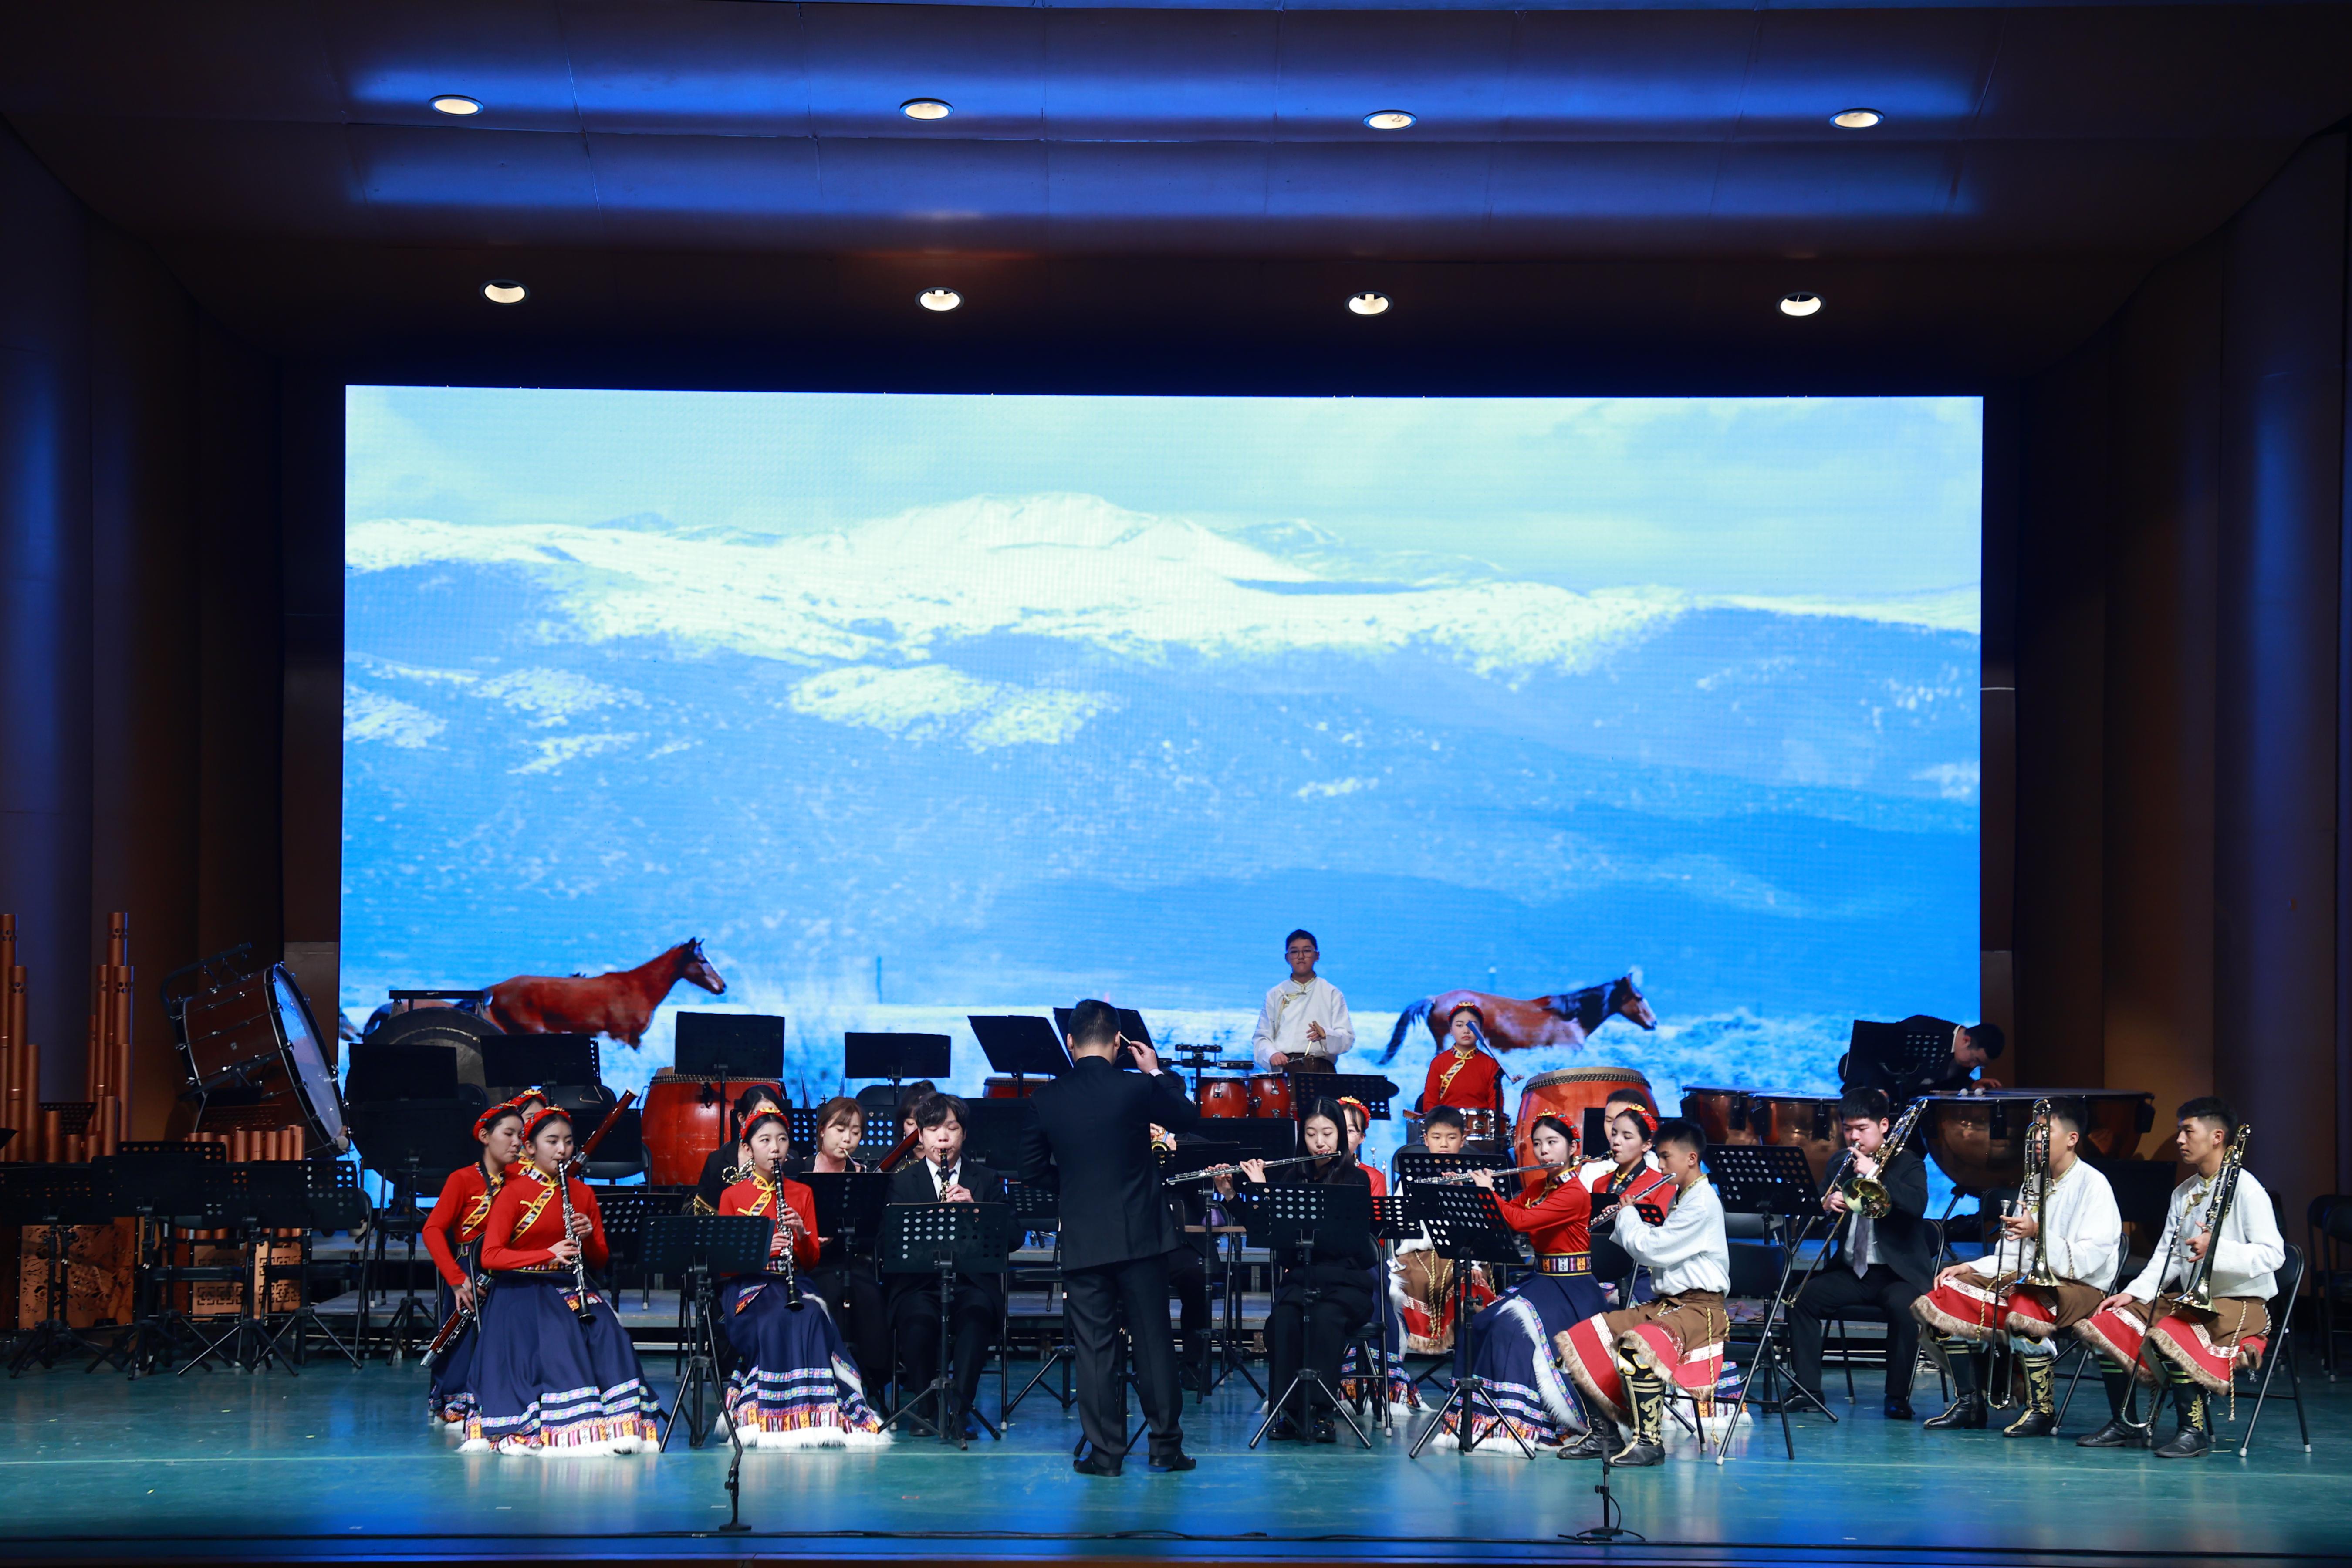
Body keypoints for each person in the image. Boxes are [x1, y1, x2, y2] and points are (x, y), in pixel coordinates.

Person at [1021, 999, 1202, 1475]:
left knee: (1095, 1349)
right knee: (1154, 1342)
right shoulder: (1136, 1088)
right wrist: (1157, 1071)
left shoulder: (1046, 1099)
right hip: (1141, 1236)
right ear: (1120, 1043)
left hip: (1084, 1238)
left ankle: (1106, 1456)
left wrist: (1073, 1190)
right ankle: (1165, 1447)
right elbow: (1188, 1117)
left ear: (1070, 1043)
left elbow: (1030, 1169)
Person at [2075, 1097, 2284, 1457]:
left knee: (2173, 1332)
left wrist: (2217, 1249)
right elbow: (2167, 1257)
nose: (2180, 1140)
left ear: (2217, 1136)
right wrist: (2136, 1293)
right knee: (2108, 1323)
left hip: (2241, 1303)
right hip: (2195, 1301)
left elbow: (2274, 1255)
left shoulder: (2247, 1189)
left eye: (2189, 1131)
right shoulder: (2185, 1193)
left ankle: (2194, 1431)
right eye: (2180, 1131)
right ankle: (2125, 1422)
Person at [1914, 1098, 2120, 1437]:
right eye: (2034, 1133)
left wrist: (2039, 1233)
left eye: (2046, 1132)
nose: (2036, 1140)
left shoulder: (2093, 1184)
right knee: (1944, 1297)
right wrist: (1970, 1268)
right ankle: (1970, 1402)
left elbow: (2093, 1258)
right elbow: (2010, 1255)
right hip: (2026, 1278)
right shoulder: (2032, 1184)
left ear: (2072, 1139)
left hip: (2080, 1287)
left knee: (2025, 1307)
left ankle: (2040, 1409)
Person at [463, 1107, 659, 1454]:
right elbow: (489, 1256)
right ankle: (568, 1425)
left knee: (608, 1331)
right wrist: (546, 1254)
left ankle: (620, 1423)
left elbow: (599, 1259)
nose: (562, 1151)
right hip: (520, 1288)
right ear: (530, 1148)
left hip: (570, 1285)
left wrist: (586, 1237)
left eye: (568, 1142)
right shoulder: (512, 1193)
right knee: (560, 1332)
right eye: (552, 1141)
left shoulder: (582, 1194)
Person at [1556, 1118, 1730, 1465]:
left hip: (1700, 1311)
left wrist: (1628, 1214)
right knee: (1579, 1339)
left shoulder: (1702, 1202)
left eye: (1666, 1158)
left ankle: (1650, 1442)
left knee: (1640, 1345)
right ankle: (1602, 1433)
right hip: (1668, 1305)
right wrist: (1628, 1218)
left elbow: (1653, 1249)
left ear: (1691, 1159)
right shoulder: (1684, 1197)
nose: (1661, 1166)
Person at [714, 1109, 889, 1446]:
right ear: (748, 1149)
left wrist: (800, 1233)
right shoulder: (732, 1196)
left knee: (810, 1316)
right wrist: (763, 1252)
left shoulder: (801, 1193)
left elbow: (811, 1259)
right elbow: (726, 1263)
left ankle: (812, 1413)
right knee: (773, 1319)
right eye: (765, 1141)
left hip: (792, 1281)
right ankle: (769, 1413)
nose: (775, 1148)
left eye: (782, 1139)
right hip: (748, 1286)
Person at [1432, 1114, 1605, 1451]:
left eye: (1552, 1144)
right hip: (1543, 1280)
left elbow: (1520, 1221)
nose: (1543, 1152)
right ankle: (1481, 1418)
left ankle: (1522, 1421)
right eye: (1538, 1144)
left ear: (1573, 1148)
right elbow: (1505, 1215)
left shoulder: (1574, 1193)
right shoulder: (1540, 1186)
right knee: (1481, 1322)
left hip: (1572, 1288)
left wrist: (1487, 1191)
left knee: (1509, 1330)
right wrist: (1463, 1189)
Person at [1217, 1098, 1376, 1443]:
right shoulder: (1293, 1176)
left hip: (1346, 1284)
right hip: (1303, 1280)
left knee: (1324, 1321)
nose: (1320, 1142)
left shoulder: (1356, 1180)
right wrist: (1234, 1194)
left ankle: (1321, 1413)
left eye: (1328, 1134)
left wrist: (1265, 1192)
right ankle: (1288, 1412)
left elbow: (1345, 1242)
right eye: (1311, 1134)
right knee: (1282, 1322)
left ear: (1341, 1137)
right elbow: (1269, 1234)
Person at [1787, 1089, 1934, 1420]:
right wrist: (1824, 1206)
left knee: (1904, 1308)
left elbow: (1918, 1206)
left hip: (1898, 1274)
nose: (1854, 1136)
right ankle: (1808, 1389)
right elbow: (1814, 1215)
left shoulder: (1909, 1163)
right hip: (1854, 1270)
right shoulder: (1841, 1161)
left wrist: (1874, 1176)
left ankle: (1897, 1396)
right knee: (1801, 1300)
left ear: (1884, 1126)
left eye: (1862, 1128)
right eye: (1848, 1127)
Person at [885, 1093, 1007, 1441]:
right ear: (920, 1136)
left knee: (977, 1315)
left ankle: (959, 1408)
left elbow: (1012, 1237)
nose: (943, 1137)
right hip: (919, 1282)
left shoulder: (985, 1178)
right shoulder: (902, 1181)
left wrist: (977, 1209)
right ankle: (925, 1407)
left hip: (971, 1281)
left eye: (952, 1128)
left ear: (964, 1134)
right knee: (917, 1319)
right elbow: (888, 1241)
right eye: (934, 1128)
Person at [422, 1100, 526, 1427]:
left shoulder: (524, 1180)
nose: (517, 1143)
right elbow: (433, 1229)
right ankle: (455, 1401)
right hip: (472, 1269)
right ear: (484, 1136)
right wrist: (456, 1279)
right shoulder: (462, 1179)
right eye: (508, 1134)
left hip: (511, 1269)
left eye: (521, 1136)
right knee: (463, 1341)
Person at [787, 1095, 892, 1383]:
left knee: (869, 1295)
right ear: (822, 1130)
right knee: (827, 1292)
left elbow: (872, 1233)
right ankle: (823, 1377)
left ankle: (868, 1381)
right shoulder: (797, 1170)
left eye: (855, 1132)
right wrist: (805, 1240)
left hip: (849, 1259)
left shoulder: (861, 1175)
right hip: (804, 1264)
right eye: (840, 1129)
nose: (847, 1139)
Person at [1392, 1105, 1495, 1357]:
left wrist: (1465, 1193)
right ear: (1426, 1140)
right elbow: (1399, 1224)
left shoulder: (1476, 1179)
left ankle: (1469, 1369)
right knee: (1395, 1290)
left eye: (1451, 1138)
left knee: (1473, 1290)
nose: (1444, 1145)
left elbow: (1485, 1231)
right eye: (1437, 1138)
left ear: (1464, 1138)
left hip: (1465, 1258)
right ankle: (1397, 1374)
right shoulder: (1410, 1179)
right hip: (1416, 1259)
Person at [1155, 1122, 1216, 1395]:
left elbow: (1214, 1172)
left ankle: (1194, 1366)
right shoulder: (1127, 1138)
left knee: (1196, 1277)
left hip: (1186, 1243)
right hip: (1146, 1243)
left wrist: (1175, 1153)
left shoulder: (1192, 1143)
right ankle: (1155, 1366)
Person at [1582, 1105, 1659, 1303]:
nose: (1616, 1142)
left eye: (1627, 1137)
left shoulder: (1660, 1183)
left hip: (1640, 1271)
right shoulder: (1600, 1182)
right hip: (1600, 1266)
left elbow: (1658, 1236)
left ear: (1647, 1145)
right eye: (1614, 1134)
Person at [1250, 929, 1354, 1073]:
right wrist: (1272, 1054)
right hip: (1285, 1068)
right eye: (1294, 952)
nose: (1301, 957)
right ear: (1287, 958)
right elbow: (1262, 1037)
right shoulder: (1275, 994)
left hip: (1322, 1069)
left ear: (1317, 956)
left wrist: (1326, 1034)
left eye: (1307, 951)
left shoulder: (1332, 993)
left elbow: (1347, 1038)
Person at [694, 1083, 787, 1214]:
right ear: (742, 1119)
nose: (768, 1124)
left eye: (774, 1116)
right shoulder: (717, 1161)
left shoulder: (790, 1160)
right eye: (759, 1118)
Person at [1416, 1004, 1504, 1132]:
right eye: (1459, 1025)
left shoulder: (1490, 1064)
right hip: (1445, 1129)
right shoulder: (1439, 1062)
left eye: (1472, 1025)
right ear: (1451, 1030)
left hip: (1479, 1130)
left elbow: (1496, 1105)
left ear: (1481, 1031)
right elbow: (1430, 1102)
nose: (1466, 1030)